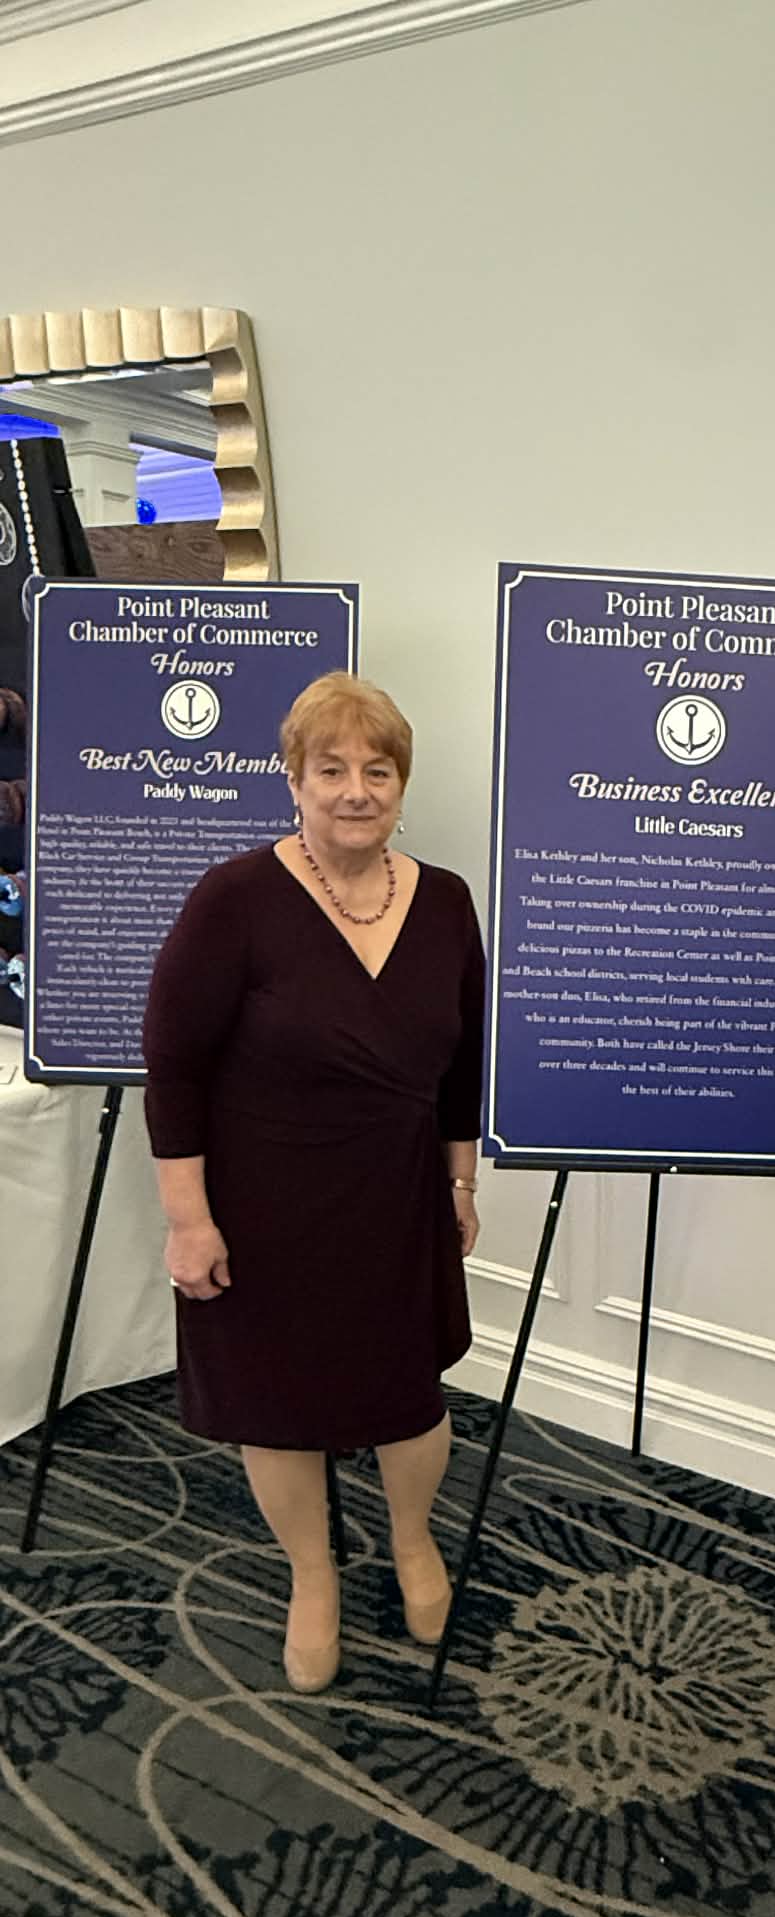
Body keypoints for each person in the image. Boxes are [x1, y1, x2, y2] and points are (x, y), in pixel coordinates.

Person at [143, 672, 486, 1695]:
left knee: (409, 1396)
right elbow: (177, 1062)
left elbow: (465, 1062)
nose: (354, 789)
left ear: (401, 782)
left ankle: (414, 1539)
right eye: (330, 768)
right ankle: (312, 1575)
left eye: (376, 769)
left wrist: (460, 1182)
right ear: (292, 777)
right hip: (265, 1202)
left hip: (398, 1195)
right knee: (277, 1399)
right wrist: (188, 1219)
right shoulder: (234, 898)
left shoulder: (446, 899)